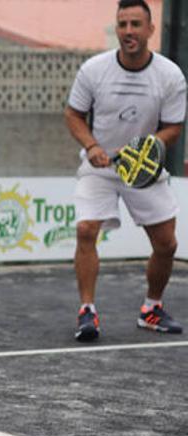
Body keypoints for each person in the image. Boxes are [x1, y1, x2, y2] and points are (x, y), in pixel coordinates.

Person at [64, 0, 184, 342]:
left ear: (150, 29)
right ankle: (87, 312)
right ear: (117, 29)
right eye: (122, 25)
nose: (128, 32)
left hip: (143, 169)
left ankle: (151, 309)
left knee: (166, 244)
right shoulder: (93, 70)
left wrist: (143, 152)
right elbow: (73, 115)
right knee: (86, 230)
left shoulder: (170, 75)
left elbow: (173, 128)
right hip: (98, 167)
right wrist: (93, 147)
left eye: (135, 24)